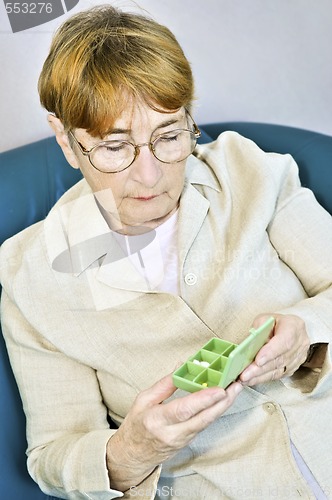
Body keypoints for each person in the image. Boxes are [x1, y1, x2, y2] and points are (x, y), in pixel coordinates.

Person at [0, 4, 332, 499]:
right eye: (114, 147)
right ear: (66, 141)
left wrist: (309, 329)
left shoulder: (247, 171)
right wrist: (134, 449)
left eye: (169, 136)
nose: (150, 176)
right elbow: (53, 454)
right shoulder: (31, 278)